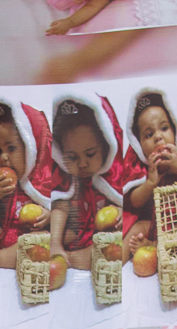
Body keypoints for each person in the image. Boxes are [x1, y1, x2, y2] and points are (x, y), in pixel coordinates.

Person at [49, 95, 122, 274]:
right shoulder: (66, 178)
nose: (82, 164)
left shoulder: (114, 175)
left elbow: (127, 204)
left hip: (101, 236)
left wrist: (120, 210)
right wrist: (55, 243)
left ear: (106, 145)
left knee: (114, 246)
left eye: (90, 154)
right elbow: (60, 206)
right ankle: (59, 253)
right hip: (75, 232)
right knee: (45, 236)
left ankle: (69, 259)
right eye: (72, 157)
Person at [121, 89, 177, 264]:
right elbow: (134, 202)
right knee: (137, 228)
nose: (158, 137)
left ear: (175, 131)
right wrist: (150, 182)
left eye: (164, 128)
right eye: (149, 135)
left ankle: (154, 246)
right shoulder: (143, 168)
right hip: (155, 224)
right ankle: (116, 271)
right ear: (139, 145)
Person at [0, 99, 51, 271]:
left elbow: (60, 211)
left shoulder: (44, 179)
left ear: (31, 147)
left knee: (44, 240)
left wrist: (48, 215)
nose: (3, 157)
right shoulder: (0, 180)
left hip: (30, 236)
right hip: (4, 231)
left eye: (11, 148)